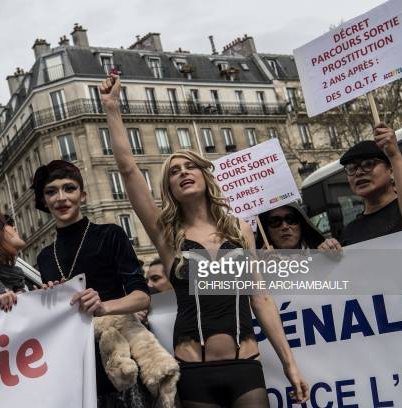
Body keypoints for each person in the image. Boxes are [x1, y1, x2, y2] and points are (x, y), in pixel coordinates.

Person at [101, 73, 309, 407]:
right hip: (194, 372)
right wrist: (112, 107)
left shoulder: (239, 229)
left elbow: (261, 300)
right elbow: (128, 170)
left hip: (245, 367)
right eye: (174, 171)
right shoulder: (167, 235)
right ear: (169, 188)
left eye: (189, 167)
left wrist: (290, 365)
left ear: (203, 174)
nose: (182, 172)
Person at [31, 160, 152, 407]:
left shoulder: (110, 234)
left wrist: (104, 307)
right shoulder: (45, 257)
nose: (61, 197)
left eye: (69, 188)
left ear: (83, 195)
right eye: (51, 191)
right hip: (78, 368)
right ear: (44, 201)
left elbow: (142, 296)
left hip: (121, 359)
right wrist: (46, 300)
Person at [339, 124, 402, 246]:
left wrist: (394, 155)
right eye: (351, 168)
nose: (358, 172)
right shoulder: (349, 233)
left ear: (391, 170)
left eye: (368, 164)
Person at [257, 202, 341, 250]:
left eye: (291, 219)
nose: (284, 226)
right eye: (275, 221)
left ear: (301, 223)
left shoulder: (322, 253)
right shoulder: (258, 267)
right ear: (266, 230)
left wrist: (331, 249)